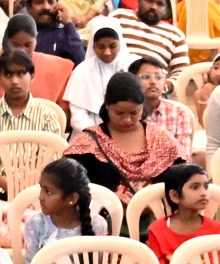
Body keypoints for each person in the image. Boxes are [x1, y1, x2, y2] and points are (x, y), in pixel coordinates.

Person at [14, 158, 107, 264]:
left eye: (48, 192)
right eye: (41, 189)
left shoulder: (97, 225)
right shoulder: (35, 223)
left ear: (72, 198)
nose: (41, 197)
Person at [63, 72, 183, 203]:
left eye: (134, 112)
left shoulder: (160, 139)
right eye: (119, 113)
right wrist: (105, 197)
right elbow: (68, 184)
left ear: (142, 106)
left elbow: (182, 180)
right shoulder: (88, 144)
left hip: (159, 213)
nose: (127, 120)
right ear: (107, 106)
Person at [0, 50, 67, 196]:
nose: (14, 81)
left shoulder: (47, 115)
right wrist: (5, 183)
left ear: (32, 77)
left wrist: (28, 185)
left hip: (36, 190)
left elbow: (53, 158)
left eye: (20, 74)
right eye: (8, 75)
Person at [111, 0, 188, 86]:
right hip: (117, 82)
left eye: (160, 4)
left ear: (166, 10)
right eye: (149, 1)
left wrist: (162, 87)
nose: (153, 7)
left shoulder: (175, 35)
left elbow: (182, 73)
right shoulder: (119, 17)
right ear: (139, 0)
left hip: (153, 88)